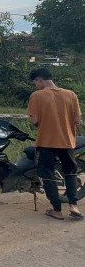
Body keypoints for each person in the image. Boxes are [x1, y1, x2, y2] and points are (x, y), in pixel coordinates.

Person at [27, 67, 84, 221]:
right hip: (66, 141)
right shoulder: (71, 95)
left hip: (46, 142)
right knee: (70, 172)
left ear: (40, 79)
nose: (36, 85)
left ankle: (57, 210)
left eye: (36, 82)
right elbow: (78, 120)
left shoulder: (37, 96)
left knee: (47, 174)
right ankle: (74, 206)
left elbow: (34, 121)